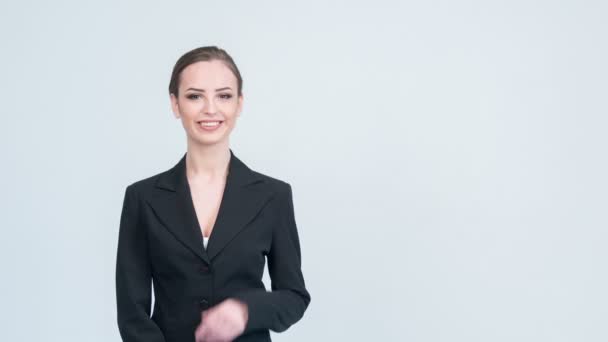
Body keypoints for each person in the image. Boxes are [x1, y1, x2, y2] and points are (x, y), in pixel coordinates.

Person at [115, 46, 311, 342]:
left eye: (224, 95)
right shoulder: (142, 199)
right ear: (175, 104)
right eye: (195, 96)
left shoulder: (273, 196)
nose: (210, 108)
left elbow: (294, 296)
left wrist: (246, 310)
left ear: (239, 103)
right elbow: (132, 312)